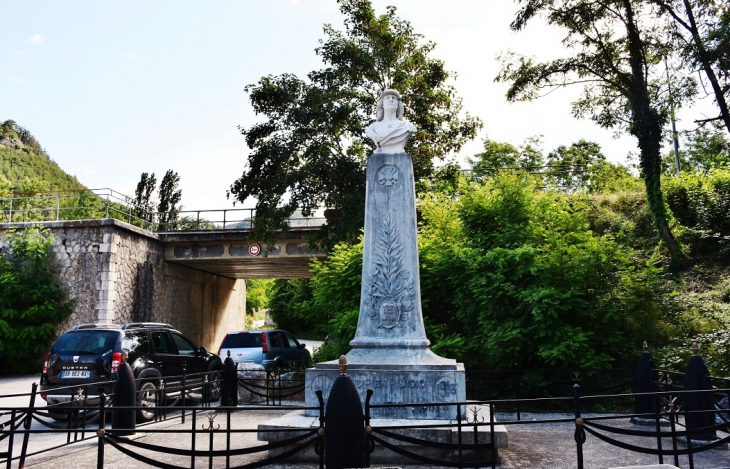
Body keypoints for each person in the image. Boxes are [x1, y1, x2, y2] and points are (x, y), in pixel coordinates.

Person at [365, 89, 416, 153]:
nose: (391, 100)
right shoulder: (372, 128)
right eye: (387, 98)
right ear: (382, 104)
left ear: (398, 104)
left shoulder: (407, 126)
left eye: (394, 98)